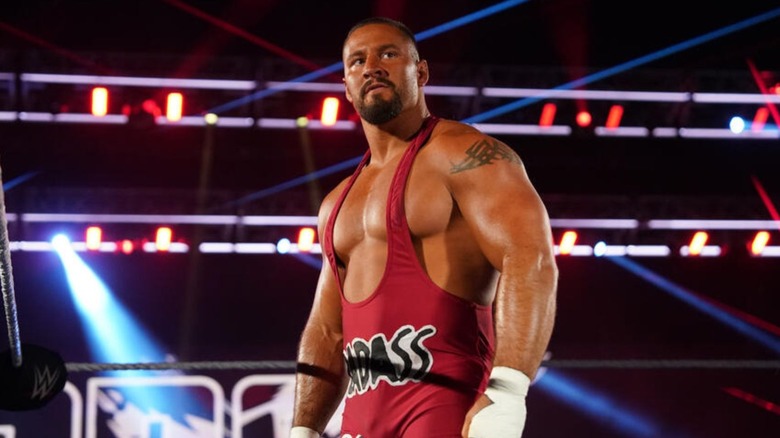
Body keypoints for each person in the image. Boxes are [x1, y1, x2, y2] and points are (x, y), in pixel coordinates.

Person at [291, 17, 558, 438]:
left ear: (422, 71)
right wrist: (302, 430)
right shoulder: (335, 204)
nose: (372, 66)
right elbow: (327, 329)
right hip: (359, 422)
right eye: (358, 60)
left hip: (444, 410)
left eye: (388, 54)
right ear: (346, 85)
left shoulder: (466, 155)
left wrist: (507, 390)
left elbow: (530, 257)